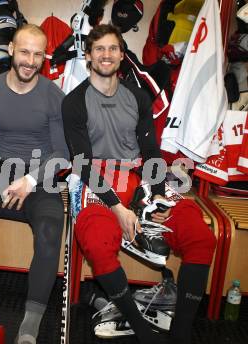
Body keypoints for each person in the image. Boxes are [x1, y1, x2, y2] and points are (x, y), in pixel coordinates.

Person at [62, 24, 216, 344]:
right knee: (96, 239)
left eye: (113, 48)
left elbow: (150, 152)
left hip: (138, 175)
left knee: (200, 235)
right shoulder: (74, 102)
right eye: (99, 49)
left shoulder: (137, 96)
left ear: (121, 54)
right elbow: (82, 162)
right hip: (97, 178)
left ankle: (181, 335)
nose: (107, 54)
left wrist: (158, 196)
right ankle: (142, 331)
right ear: (88, 55)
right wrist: (117, 207)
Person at [0, 24, 69, 344]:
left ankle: (30, 325)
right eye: (24, 52)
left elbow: (62, 155)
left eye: (38, 54)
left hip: (43, 177)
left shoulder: (53, 97)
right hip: (4, 169)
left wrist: (31, 180)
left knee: (51, 231)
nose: (30, 61)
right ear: (10, 50)